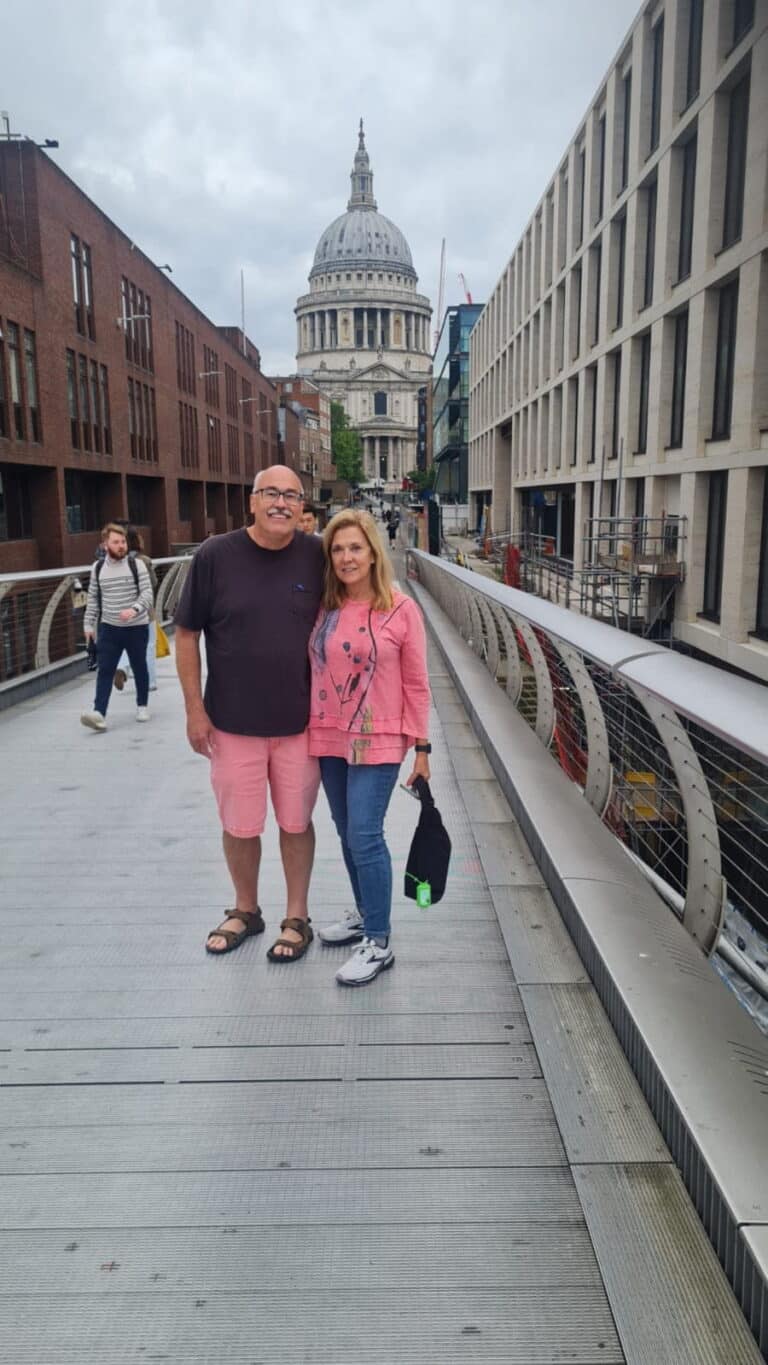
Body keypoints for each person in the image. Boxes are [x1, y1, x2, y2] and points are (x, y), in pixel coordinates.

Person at [174, 465, 324, 961]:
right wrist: (195, 710)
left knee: (297, 822)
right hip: (231, 722)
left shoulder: (318, 555)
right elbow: (187, 633)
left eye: (291, 495)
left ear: (303, 506)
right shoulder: (216, 555)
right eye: (270, 494)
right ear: (252, 501)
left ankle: (296, 915)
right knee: (240, 824)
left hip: (301, 724)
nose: (281, 503)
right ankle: (246, 909)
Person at [309, 509, 431, 985]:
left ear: (374, 553)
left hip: (380, 736)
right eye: (337, 549)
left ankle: (378, 941)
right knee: (345, 831)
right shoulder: (326, 606)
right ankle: (364, 913)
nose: (346, 557)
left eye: (355, 547)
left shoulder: (401, 609)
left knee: (365, 833)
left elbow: (418, 684)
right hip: (329, 731)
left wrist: (422, 749)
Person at [81, 523, 154, 732]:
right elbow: (93, 598)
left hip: (136, 626)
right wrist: (88, 624)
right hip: (109, 628)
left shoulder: (136, 565)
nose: (121, 546)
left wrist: (134, 609)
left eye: (123, 542)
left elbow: (147, 593)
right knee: (105, 670)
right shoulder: (97, 569)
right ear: (105, 545)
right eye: (116, 542)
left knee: (140, 667)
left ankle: (142, 705)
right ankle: (99, 713)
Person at [113, 528, 158, 694]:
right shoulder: (144, 560)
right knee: (148, 646)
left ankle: (122, 668)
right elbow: (153, 583)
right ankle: (149, 682)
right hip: (145, 611)